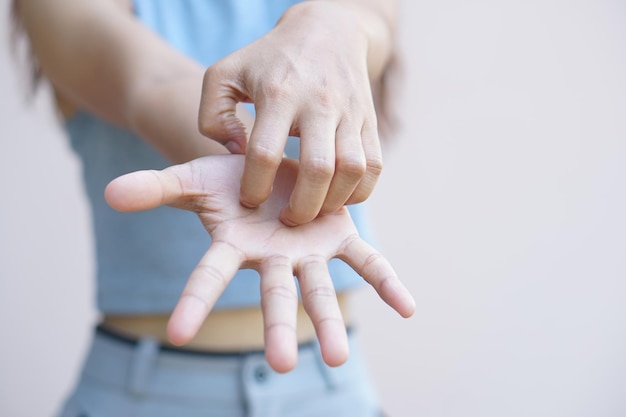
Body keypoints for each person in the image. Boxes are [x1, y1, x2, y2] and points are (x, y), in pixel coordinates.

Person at [14, 0, 415, 416]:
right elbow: (153, 81)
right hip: (147, 398)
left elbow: (370, 19)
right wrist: (253, 169)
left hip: (332, 393)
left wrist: (330, 23)